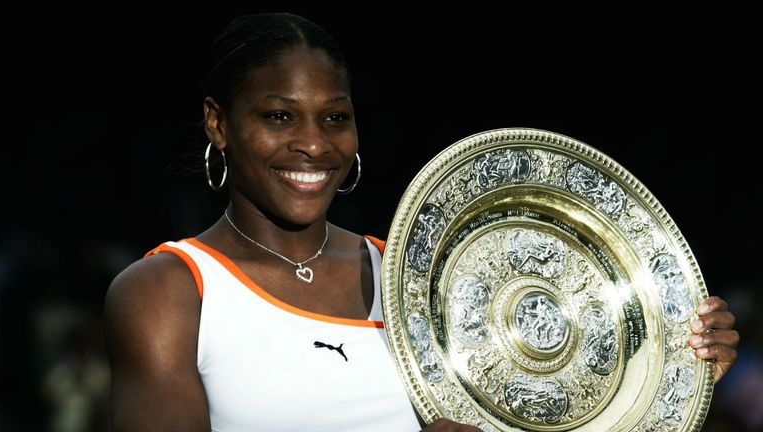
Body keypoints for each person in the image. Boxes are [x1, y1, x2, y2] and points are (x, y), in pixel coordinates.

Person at [103, 12, 740, 432]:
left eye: (334, 117)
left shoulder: (418, 273)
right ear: (219, 123)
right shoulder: (168, 294)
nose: (313, 145)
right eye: (278, 116)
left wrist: (670, 368)